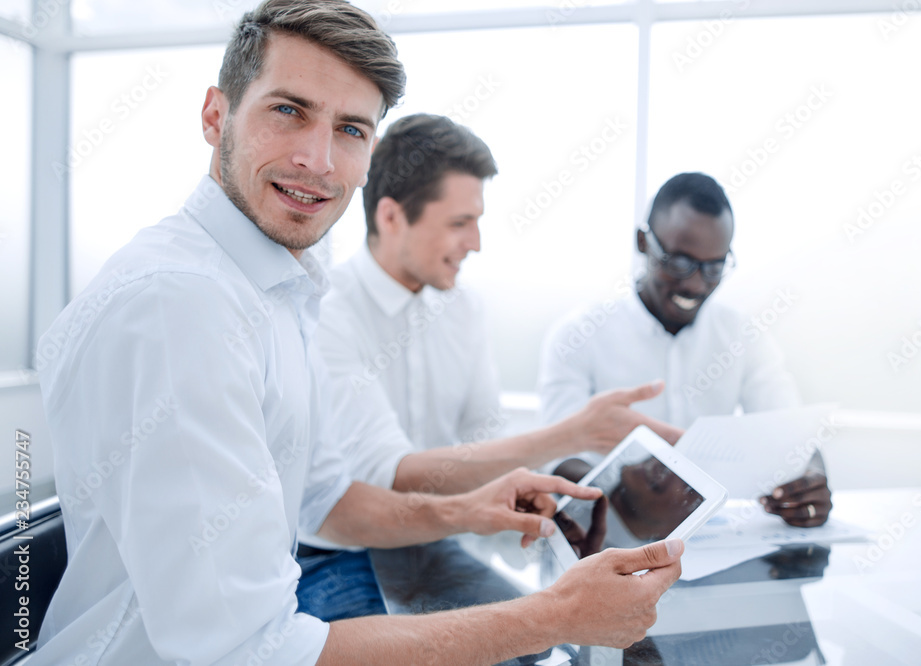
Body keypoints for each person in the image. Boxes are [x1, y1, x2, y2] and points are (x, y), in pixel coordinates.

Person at [32, 2, 684, 664]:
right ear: (215, 116)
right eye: (288, 110)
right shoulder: (183, 305)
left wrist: (469, 509)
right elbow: (249, 651)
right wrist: (555, 615)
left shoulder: (280, 290)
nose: (318, 160)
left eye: (350, 129)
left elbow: (327, 502)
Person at [295, 113, 686, 623]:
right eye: (459, 223)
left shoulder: (463, 308)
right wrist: (571, 434)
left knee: (547, 646)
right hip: (336, 556)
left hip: (434, 543)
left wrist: (547, 492)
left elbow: (484, 437)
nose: (475, 242)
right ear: (391, 217)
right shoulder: (327, 310)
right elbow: (391, 476)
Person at [538, 172, 832, 527]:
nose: (694, 284)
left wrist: (810, 476)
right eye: (679, 262)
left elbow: (789, 431)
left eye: (714, 267)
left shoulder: (744, 335)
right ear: (643, 242)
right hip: (611, 541)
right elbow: (553, 453)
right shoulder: (578, 335)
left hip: (710, 537)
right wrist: (617, 496)